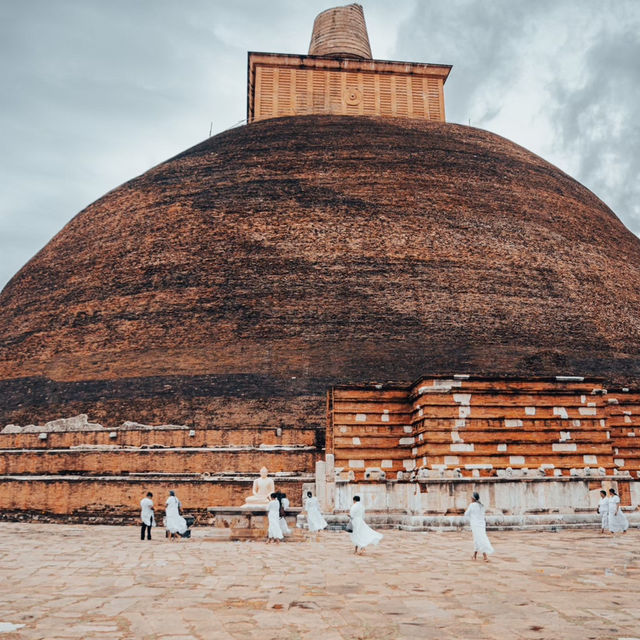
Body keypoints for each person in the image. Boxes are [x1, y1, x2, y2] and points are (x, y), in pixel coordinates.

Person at [464, 491, 494, 562]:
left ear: (473, 498)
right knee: (478, 539)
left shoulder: (472, 505)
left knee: (479, 539)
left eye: (471, 497)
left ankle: (485, 557)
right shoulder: (482, 505)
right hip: (482, 524)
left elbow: (466, 514)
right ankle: (474, 555)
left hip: (475, 525)